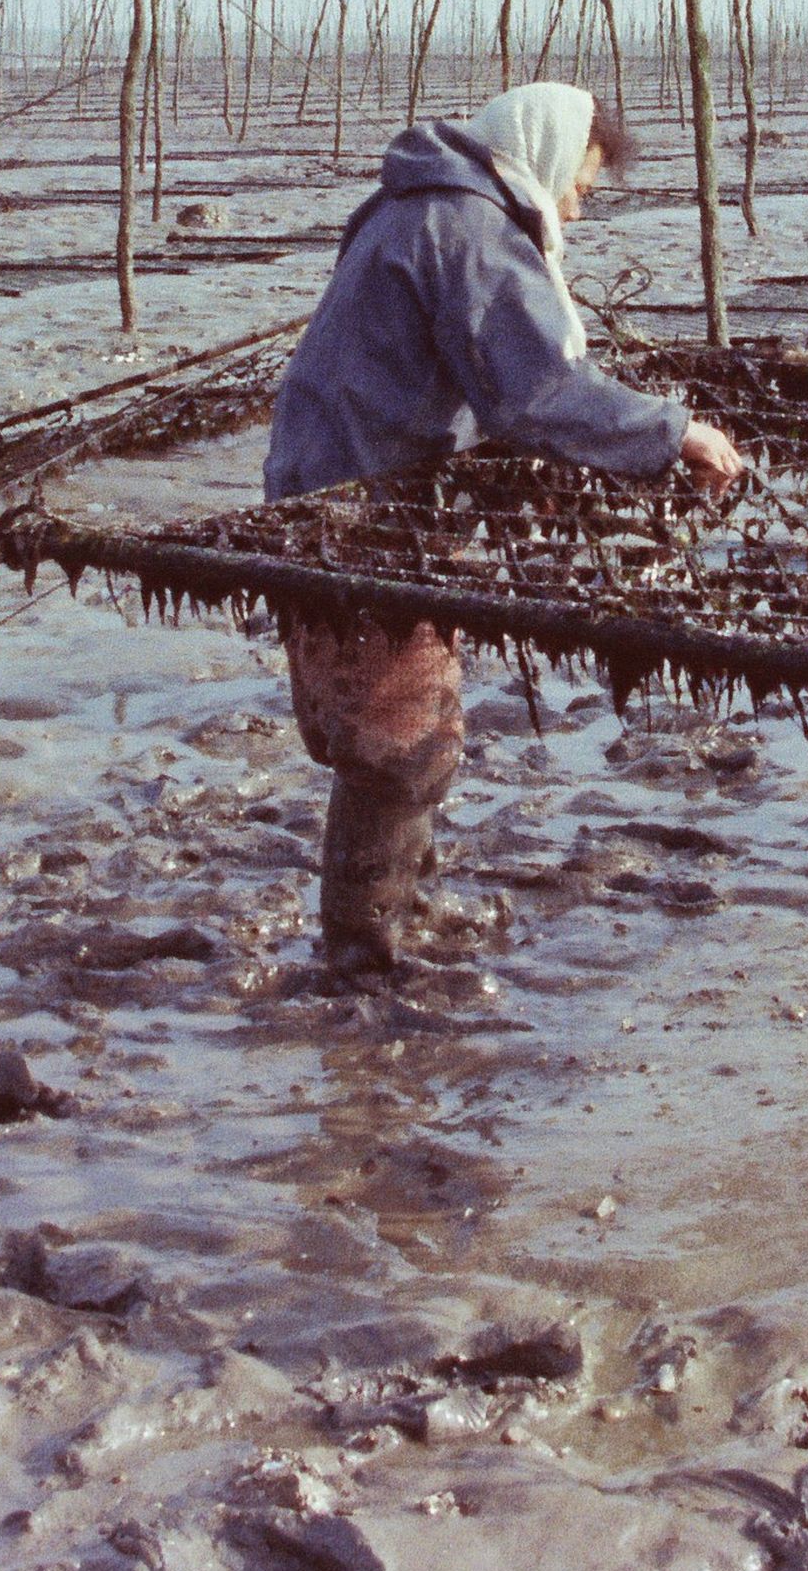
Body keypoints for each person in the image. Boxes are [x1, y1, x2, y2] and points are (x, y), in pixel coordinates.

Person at [263, 83, 747, 971]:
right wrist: (677, 431)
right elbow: (538, 392)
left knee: (388, 728)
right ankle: (364, 959)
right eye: (579, 186)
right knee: (399, 742)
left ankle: (397, 910)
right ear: (545, 156)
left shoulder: (417, 202)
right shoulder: (470, 227)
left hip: (319, 479)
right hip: (359, 500)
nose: (571, 206)